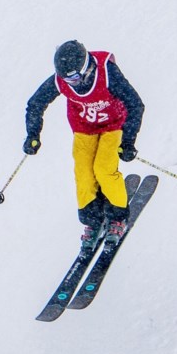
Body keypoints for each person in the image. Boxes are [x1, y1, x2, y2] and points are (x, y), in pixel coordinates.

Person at [24, 40, 144, 252]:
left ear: (87, 67)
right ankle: (93, 219)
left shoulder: (107, 72)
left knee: (104, 169)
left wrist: (128, 141)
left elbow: (135, 103)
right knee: (83, 172)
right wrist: (33, 134)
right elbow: (36, 104)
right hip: (84, 128)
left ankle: (118, 216)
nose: (73, 82)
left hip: (113, 125)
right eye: (67, 79)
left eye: (76, 77)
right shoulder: (61, 81)